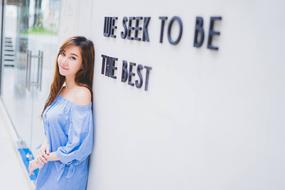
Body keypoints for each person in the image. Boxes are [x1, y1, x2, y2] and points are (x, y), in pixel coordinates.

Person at [28, 36, 95, 190]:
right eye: (63, 54)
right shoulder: (62, 88)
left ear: (83, 64)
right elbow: (55, 130)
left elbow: (80, 146)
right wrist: (45, 146)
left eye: (72, 58)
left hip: (66, 176)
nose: (64, 61)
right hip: (52, 167)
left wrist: (42, 159)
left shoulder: (82, 94)